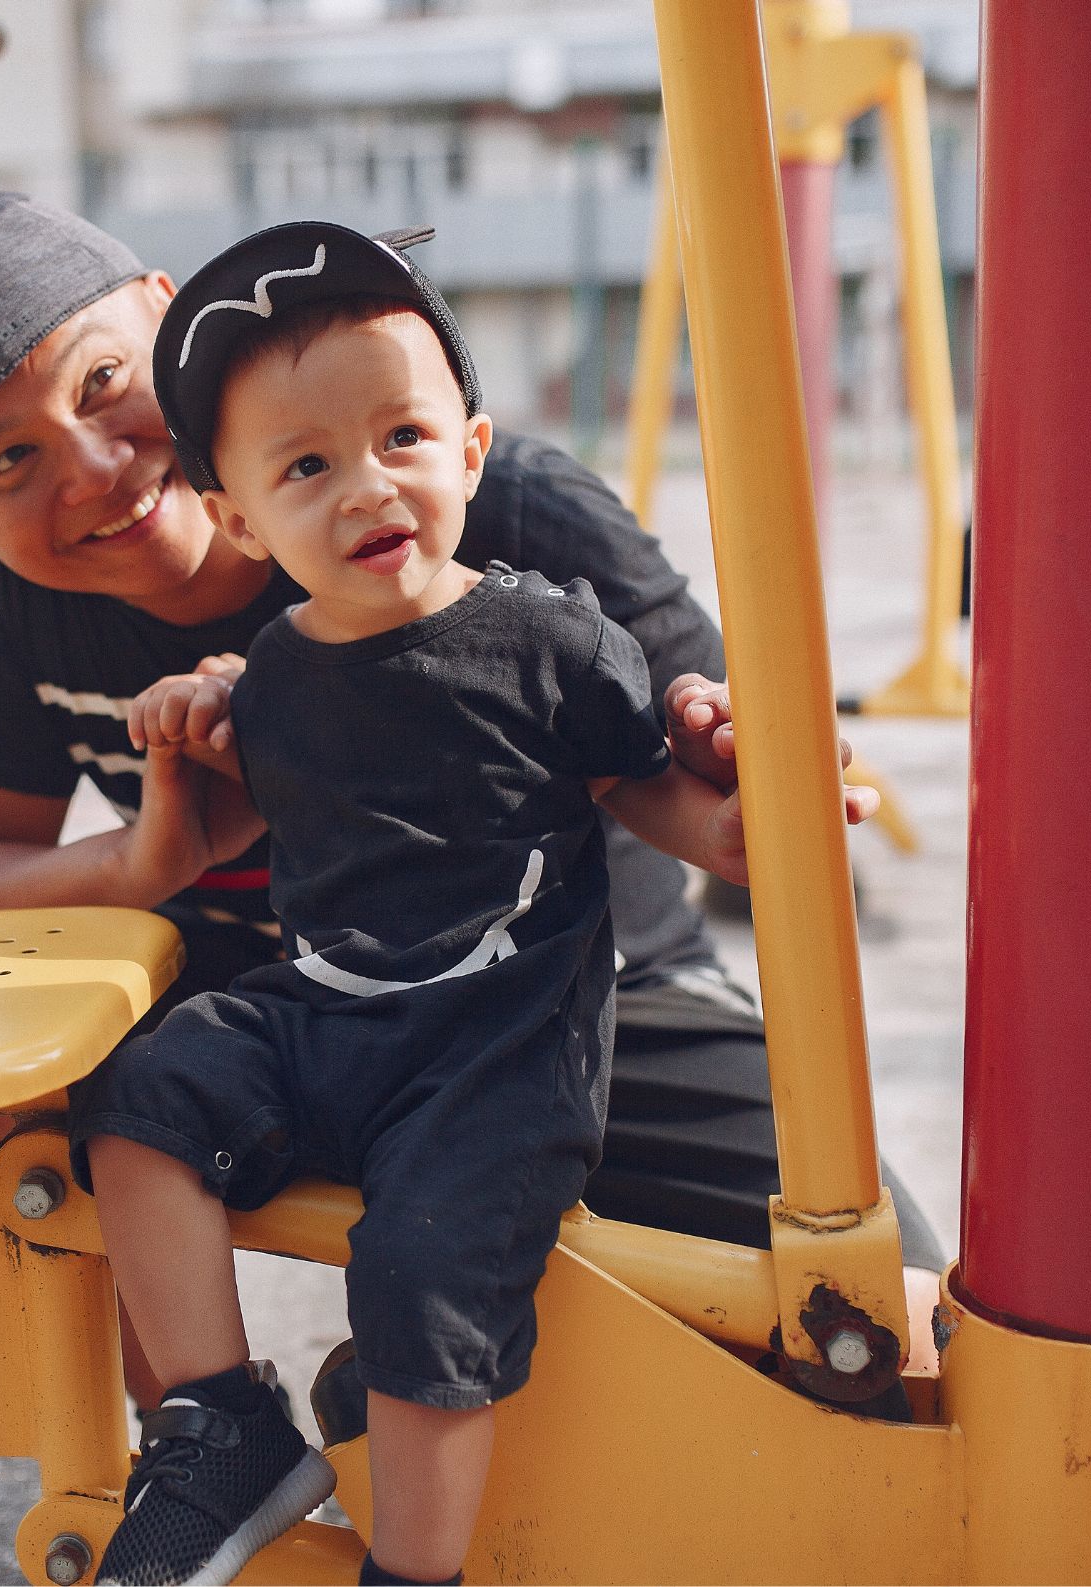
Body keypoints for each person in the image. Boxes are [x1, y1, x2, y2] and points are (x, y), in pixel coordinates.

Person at [0, 192, 944, 1399]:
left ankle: (480, 1385)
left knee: (897, 1337)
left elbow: (706, 749)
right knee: (2, 1090)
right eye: (9, 461)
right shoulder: (19, 603)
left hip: (563, 979)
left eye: (103, 383)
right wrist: (138, 865)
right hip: (276, 1006)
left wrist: (741, 764)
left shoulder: (498, 513)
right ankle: (196, 1448)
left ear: (168, 316)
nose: (96, 470)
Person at [70, 219, 864, 1587]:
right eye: (307, 465)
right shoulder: (272, 673)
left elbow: (639, 789)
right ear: (246, 521)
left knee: (419, 1275)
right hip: (329, 1012)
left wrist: (735, 829)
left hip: (500, 1041)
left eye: (401, 439)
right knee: (141, 1096)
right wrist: (185, 734)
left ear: (473, 451)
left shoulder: (548, 636)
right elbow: (238, 814)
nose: (367, 487)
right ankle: (217, 1421)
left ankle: (413, 1571)